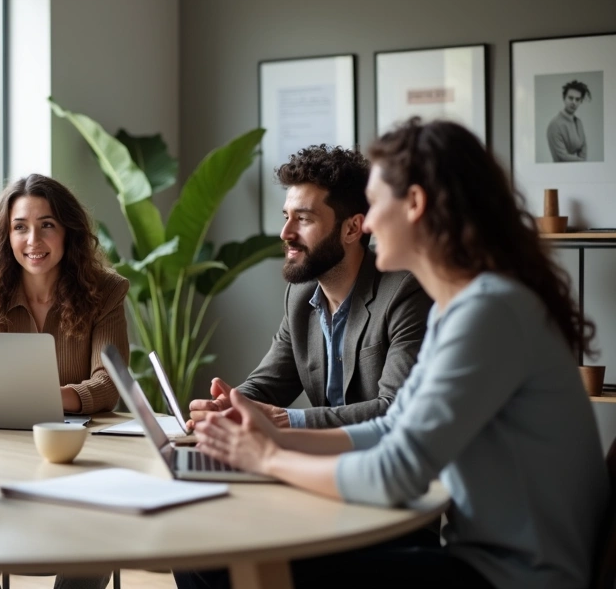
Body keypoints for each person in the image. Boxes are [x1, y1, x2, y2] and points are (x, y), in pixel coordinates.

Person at [183, 118, 608, 589]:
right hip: (478, 561)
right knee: (216, 553)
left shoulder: (488, 312)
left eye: (376, 202)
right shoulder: (464, 308)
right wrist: (269, 435)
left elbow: (397, 470)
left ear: (414, 205)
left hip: (512, 578)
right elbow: (390, 427)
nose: (371, 221)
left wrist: (267, 457)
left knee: (228, 560)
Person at [0, 173, 129, 589]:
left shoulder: (106, 292)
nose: (33, 239)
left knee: (97, 544)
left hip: (74, 456)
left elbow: (110, 383)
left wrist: (50, 397)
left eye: (47, 225)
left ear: (68, 231)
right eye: (20, 227)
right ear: (6, 234)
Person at [189, 145, 431, 429]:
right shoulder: (301, 297)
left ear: (352, 229)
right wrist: (227, 407)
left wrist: (286, 420)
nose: (285, 233)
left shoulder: (404, 290)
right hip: (323, 460)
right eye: (286, 217)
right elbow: (267, 384)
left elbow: (395, 408)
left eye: (303, 219)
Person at [548, 79, 591, 162]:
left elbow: (583, 148)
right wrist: (581, 161)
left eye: (577, 99)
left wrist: (582, 162)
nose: (574, 102)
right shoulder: (555, 125)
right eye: (570, 98)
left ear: (581, 101)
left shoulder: (578, 122)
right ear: (564, 98)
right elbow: (562, 157)